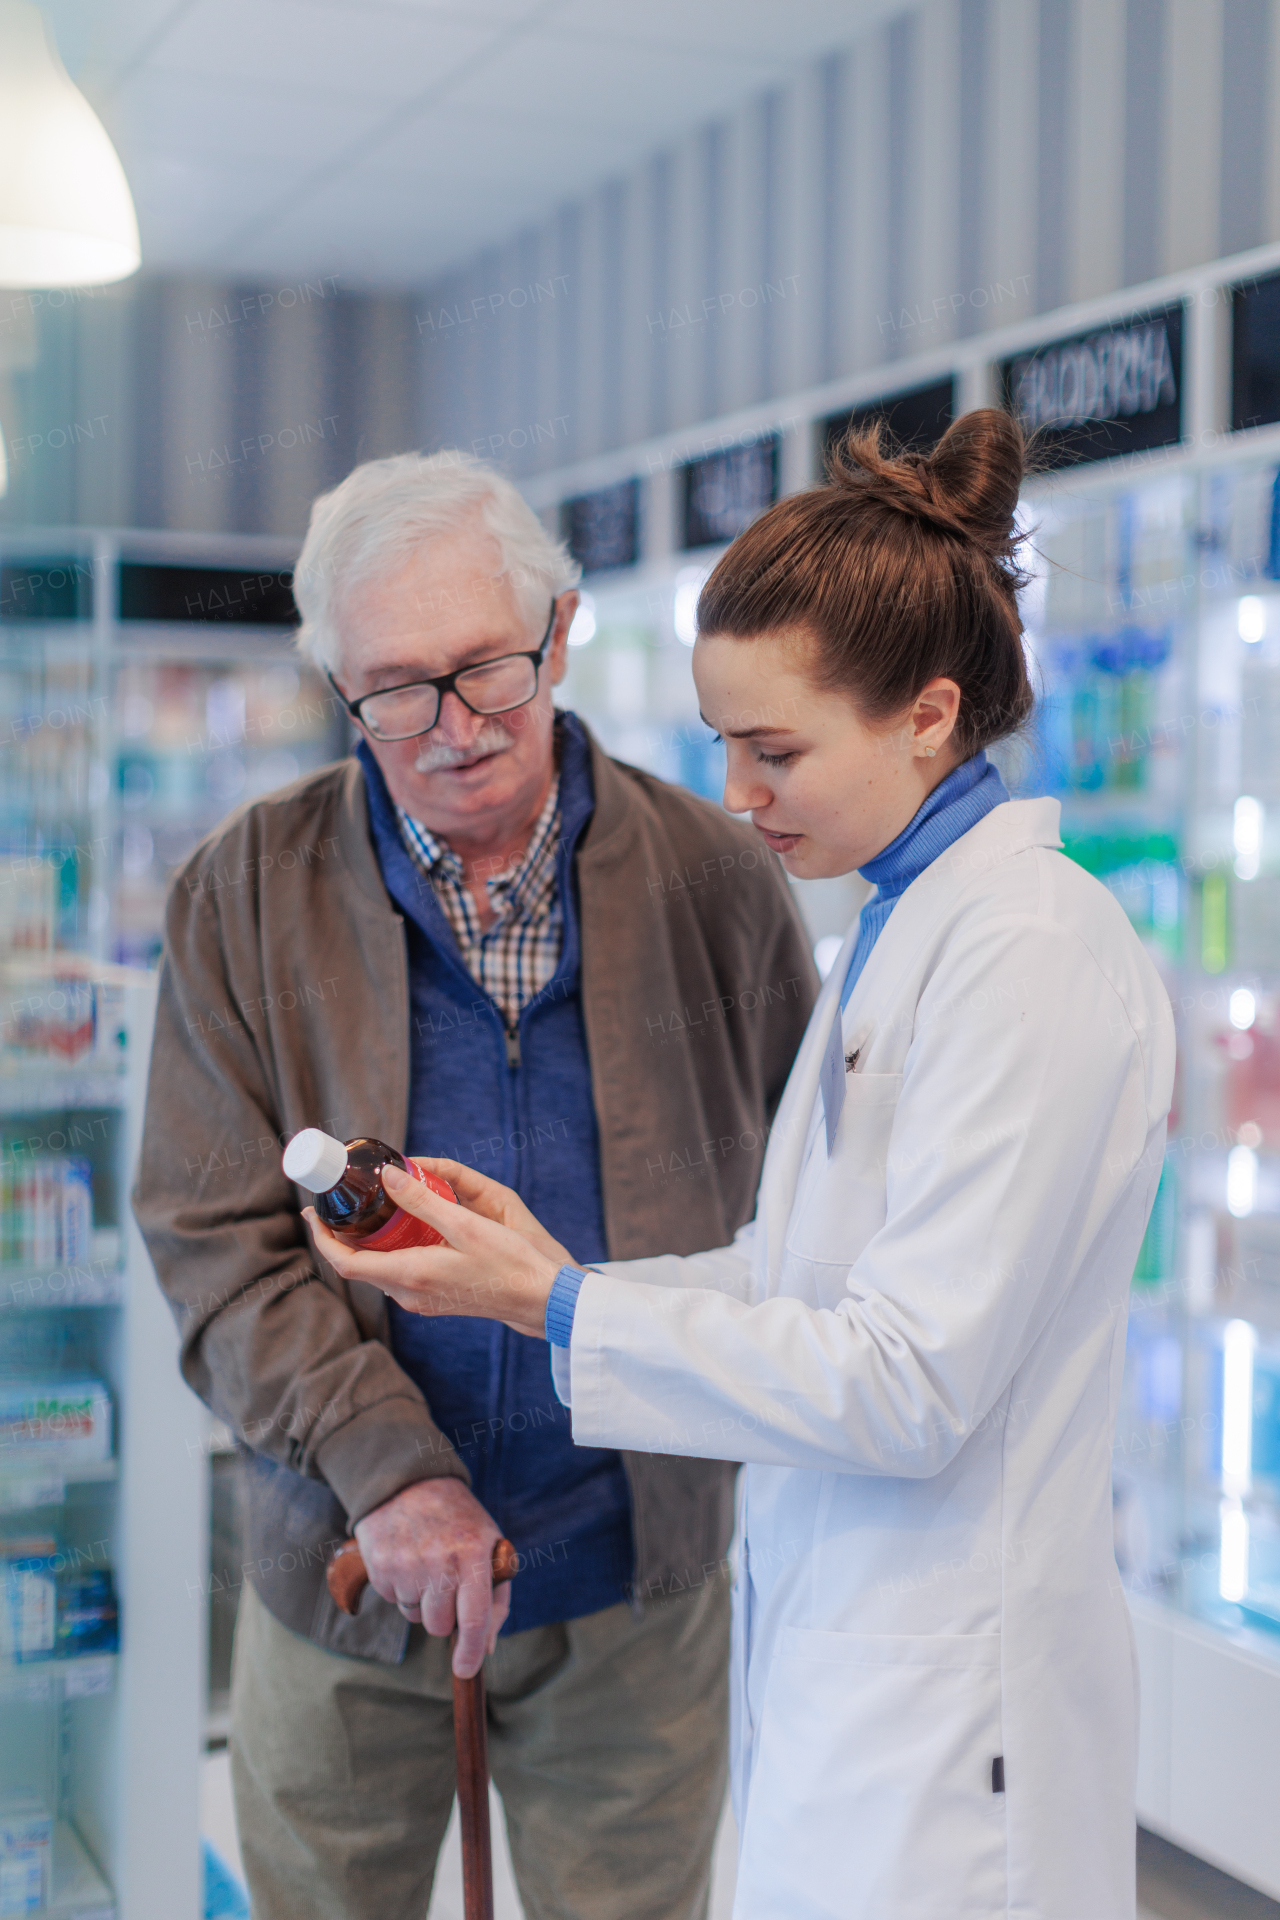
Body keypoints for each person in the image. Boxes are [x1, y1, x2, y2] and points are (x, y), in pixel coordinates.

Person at [308, 412, 1177, 1920]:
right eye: (722, 744)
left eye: (774, 750)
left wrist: (563, 1311)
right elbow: (796, 1282)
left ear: (927, 716)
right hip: (849, 1672)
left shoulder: (1030, 953)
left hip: (953, 1723)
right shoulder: (897, 929)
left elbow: (908, 1381)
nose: (733, 793)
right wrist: (545, 1277)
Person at [133, 451, 817, 1920]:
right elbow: (212, 1243)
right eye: (393, 689)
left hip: (636, 1580)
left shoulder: (717, 879)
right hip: (344, 1574)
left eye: (487, 671)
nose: (449, 730)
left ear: (560, 633)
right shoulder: (241, 894)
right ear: (338, 688)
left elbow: (808, 1210)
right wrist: (393, 1475)